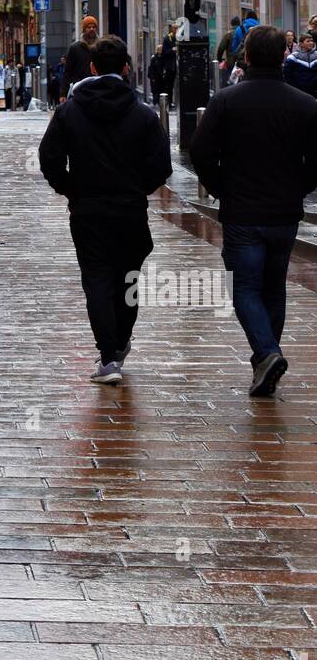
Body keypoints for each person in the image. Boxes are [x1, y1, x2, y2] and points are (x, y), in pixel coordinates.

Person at [190, 26, 317, 397]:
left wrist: (218, 186)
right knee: (273, 287)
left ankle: (266, 353)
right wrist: (300, 187)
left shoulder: (226, 102)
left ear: (246, 57)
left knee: (245, 287)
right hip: (283, 212)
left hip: (242, 211)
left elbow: (200, 149)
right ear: (283, 56)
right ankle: (266, 361)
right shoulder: (306, 105)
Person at [39, 35, 172, 385]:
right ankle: (119, 342)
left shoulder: (69, 111)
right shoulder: (143, 114)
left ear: (93, 68)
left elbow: (49, 158)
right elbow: (161, 166)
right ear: (126, 68)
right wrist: (137, 189)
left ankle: (109, 356)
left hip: (88, 210)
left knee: (97, 280)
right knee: (127, 279)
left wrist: (72, 189)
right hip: (130, 210)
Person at [60, 16, 99, 101]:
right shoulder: (75, 48)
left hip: (98, 88)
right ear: (84, 29)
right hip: (80, 89)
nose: (92, 29)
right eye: (89, 27)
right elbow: (68, 71)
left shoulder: (101, 46)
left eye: (94, 27)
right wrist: (63, 93)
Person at [283, 31, 317, 98]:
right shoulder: (293, 57)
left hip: (314, 92)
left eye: (312, 41)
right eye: (308, 41)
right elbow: (287, 75)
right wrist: (294, 88)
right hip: (299, 92)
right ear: (301, 44)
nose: (311, 43)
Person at [216, 16, 241, 88]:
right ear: (239, 23)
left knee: (232, 81)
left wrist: (219, 59)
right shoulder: (243, 32)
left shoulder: (228, 34)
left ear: (231, 24)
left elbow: (221, 48)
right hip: (241, 62)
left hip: (231, 62)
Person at [159, 34, 177, 108]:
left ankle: (171, 103)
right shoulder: (167, 40)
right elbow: (164, 53)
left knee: (171, 86)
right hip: (169, 69)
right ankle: (168, 103)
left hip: (174, 68)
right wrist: (172, 50)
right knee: (168, 87)